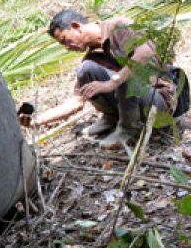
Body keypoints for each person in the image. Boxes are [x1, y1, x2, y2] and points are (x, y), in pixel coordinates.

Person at [24, 10, 178, 148]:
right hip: (134, 104)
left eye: (65, 40)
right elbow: (76, 102)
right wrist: (38, 120)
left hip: (157, 101)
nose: (67, 47)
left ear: (76, 26)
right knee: (86, 70)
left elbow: (145, 52)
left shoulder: (119, 27)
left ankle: (128, 129)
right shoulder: (92, 57)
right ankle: (113, 117)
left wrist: (111, 83)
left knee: (125, 75)